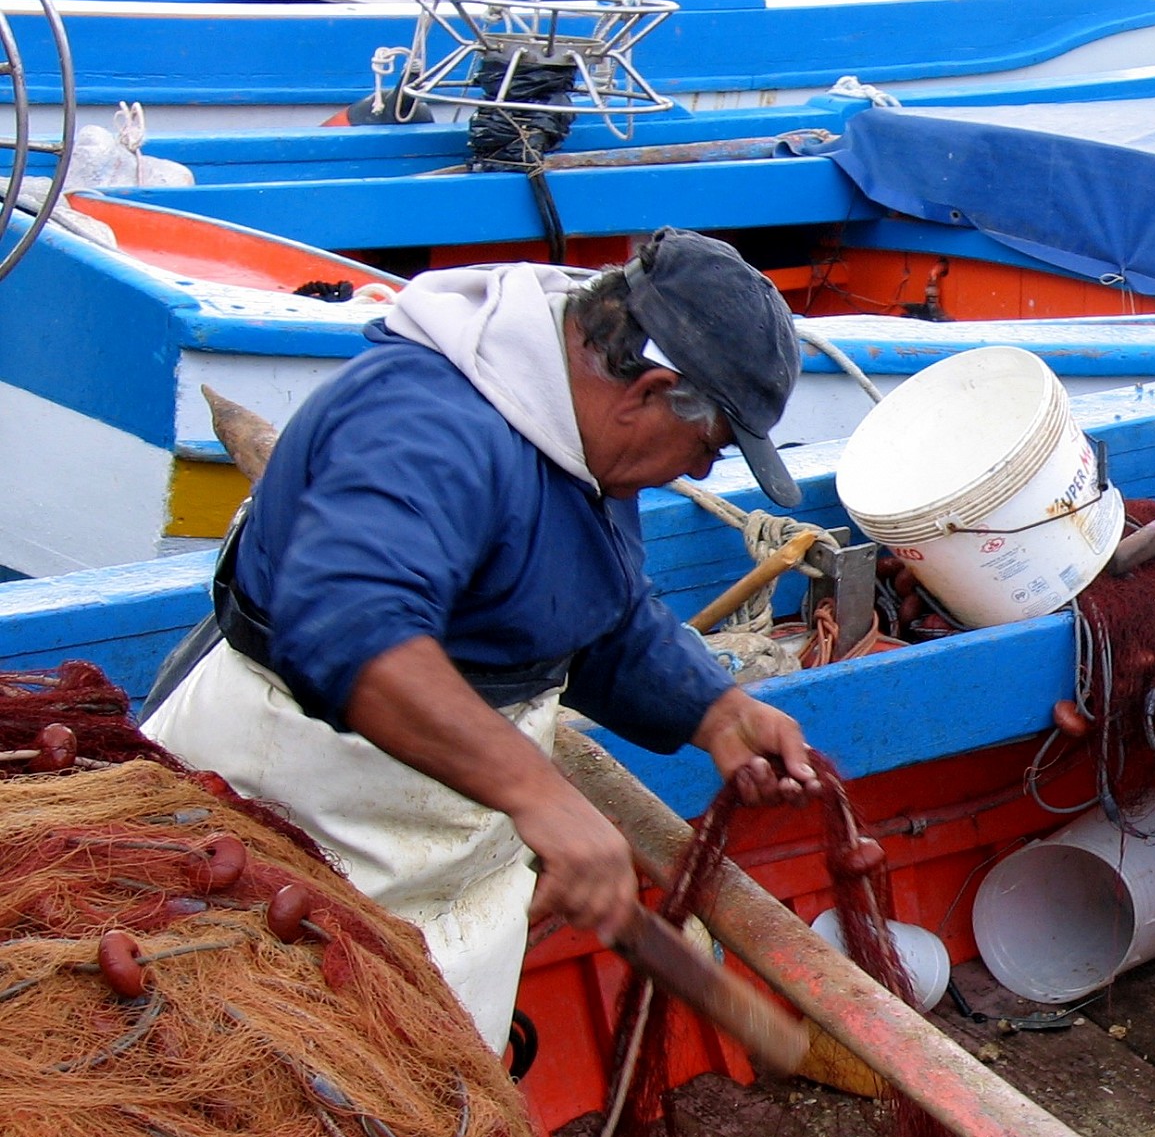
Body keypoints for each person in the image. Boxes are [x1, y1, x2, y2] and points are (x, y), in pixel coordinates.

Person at [145, 228, 818, 1051]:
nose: (704, 474)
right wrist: (540, 796)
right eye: (710, 446)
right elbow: (354, 631)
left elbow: (592, 607)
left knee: (436, 1085)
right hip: (284, 818)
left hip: (456, 853)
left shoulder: (579, 431)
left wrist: (712, 710)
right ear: (650, 390)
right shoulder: (420, 420)